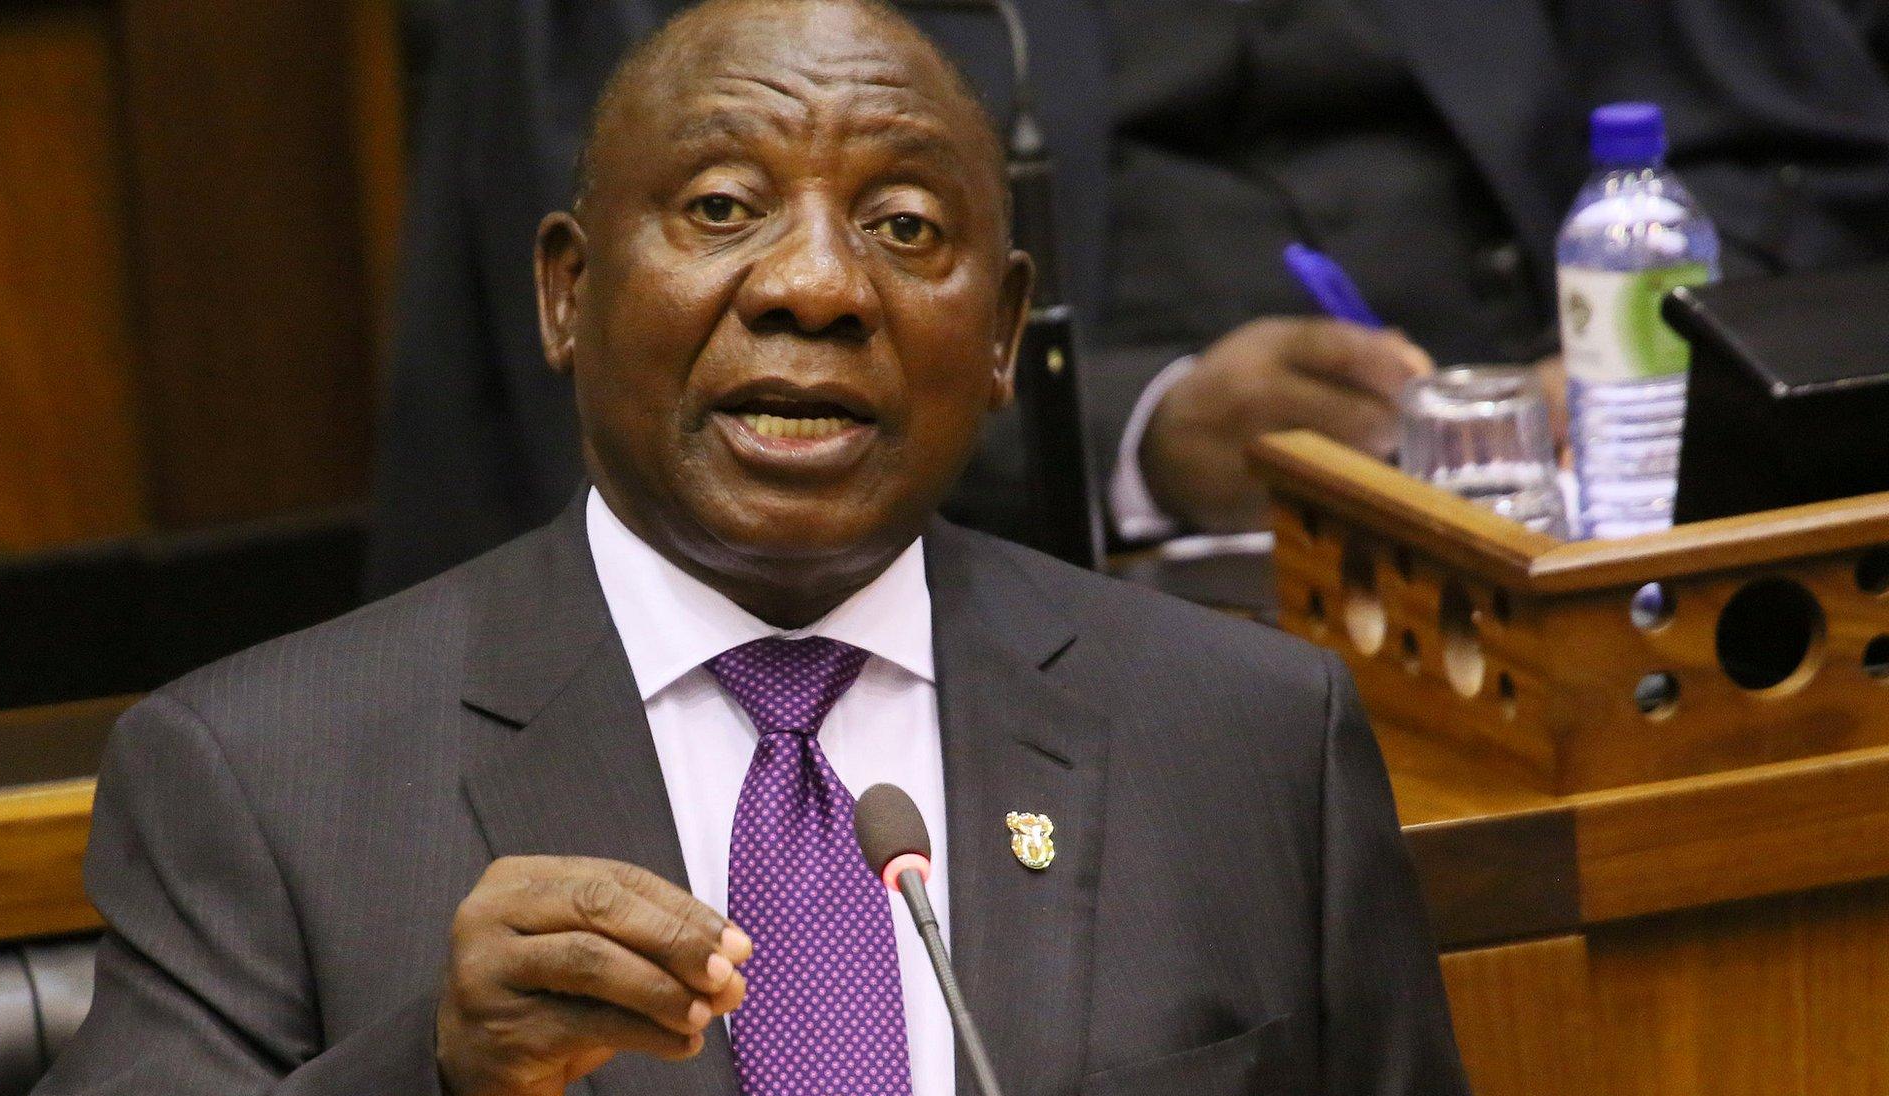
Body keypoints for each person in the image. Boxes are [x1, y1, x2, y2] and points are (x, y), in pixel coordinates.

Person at [12, 2, 1496, 1096]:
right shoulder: (268, 773)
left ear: (999, 335)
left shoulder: (1243, 738)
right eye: (722, 209)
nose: (818, 286)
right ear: (569, 293)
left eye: (907, 228)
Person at [362, 0, 1889, 592]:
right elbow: (680, 333)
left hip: (1570, 536)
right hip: (1049, 580)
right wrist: (1143, 437)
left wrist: (1652, 375)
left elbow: (1780, 146)